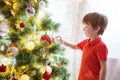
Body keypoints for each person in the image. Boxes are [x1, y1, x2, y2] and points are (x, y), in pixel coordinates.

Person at [55, 12, 108, 80]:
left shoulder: (101, 46)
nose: (83, 29)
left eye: (86, 27)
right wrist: (62, 42)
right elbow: (75, 47)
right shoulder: (86, 42)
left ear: (96, 29)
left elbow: (103, 67)